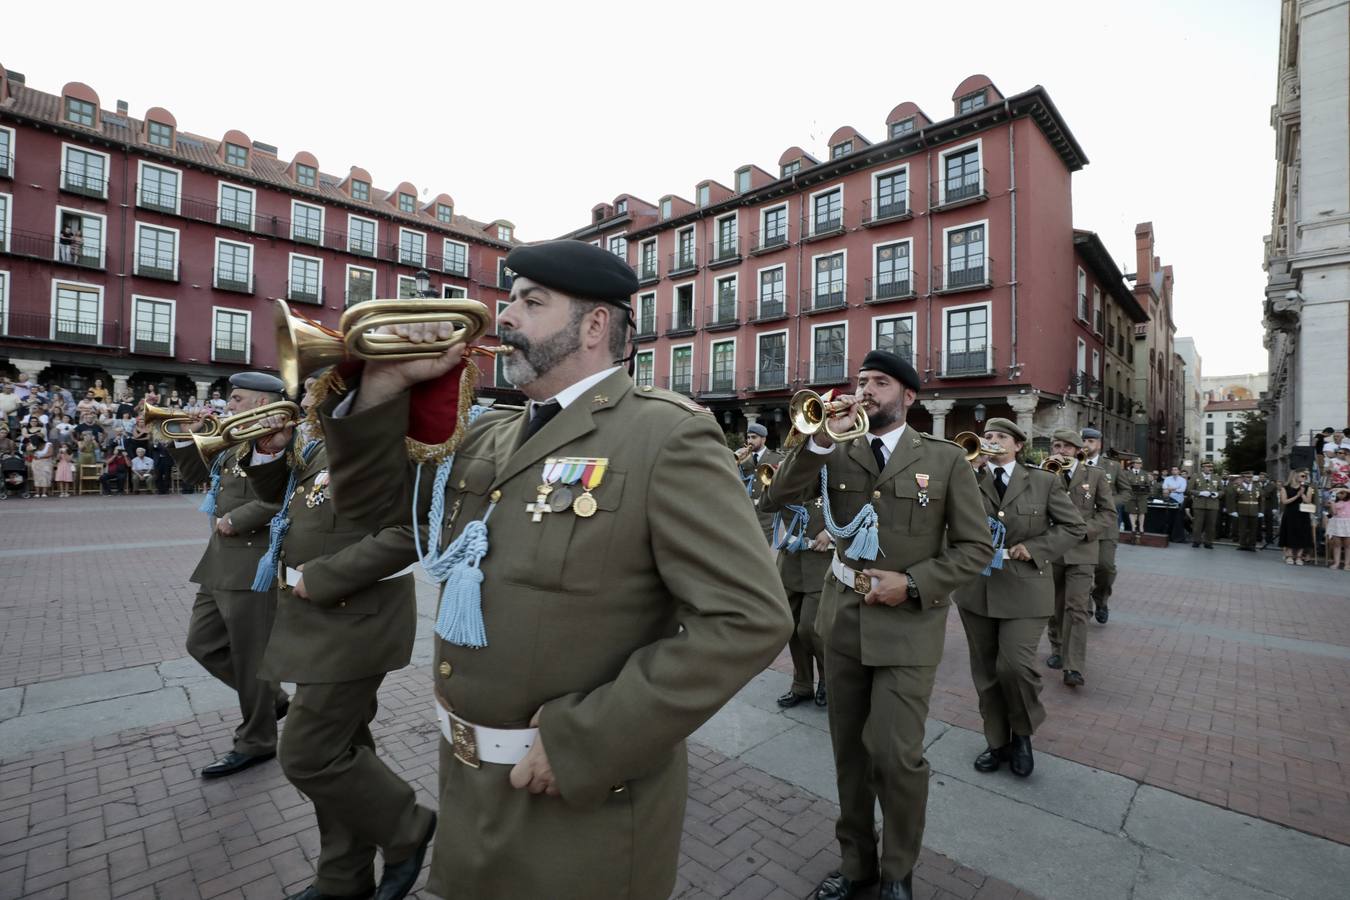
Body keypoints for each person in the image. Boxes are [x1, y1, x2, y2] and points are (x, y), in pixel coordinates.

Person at [320, 239, 792, 900]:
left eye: (531, 303)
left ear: (594, 326)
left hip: (578, 801)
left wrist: (587, 741)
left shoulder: (666, 436)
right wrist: (382, 386)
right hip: (467, 788)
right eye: (510, 298)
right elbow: (369, 509)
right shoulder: (487, 434)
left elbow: (749, 618)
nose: (504, 316)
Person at [765, 349, 992, 900]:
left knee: (895, 755)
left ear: (909, 397)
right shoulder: (834, 450)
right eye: (862, 381)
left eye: (880, 382)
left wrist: (913, 584)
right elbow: (778, 498)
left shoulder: (943, 460)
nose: (865, 390)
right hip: (841, 618)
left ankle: (897, 871)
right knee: (850, 753)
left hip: (908, 628)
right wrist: (820, 439)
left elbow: (974, 548)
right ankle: (857, 864)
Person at [243, 373, 433, 900]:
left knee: (308, 754)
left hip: (355, 616)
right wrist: (269, 453)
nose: (301, 398)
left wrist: (322, 578)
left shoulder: (391, 442)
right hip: (319, 617)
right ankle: (342, 879)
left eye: (311, 387)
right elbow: (283, 501)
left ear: (340, 388)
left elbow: (410, 530)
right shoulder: (321, 442)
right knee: (343, 750)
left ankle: (407, 827)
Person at [169, 372, 289, 778]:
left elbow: (286, 497)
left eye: (236, 399)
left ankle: (257, 740)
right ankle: (270, 699)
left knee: (251, 658)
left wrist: (238, 518)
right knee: (201, 644)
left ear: (260, 403)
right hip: (219, 561)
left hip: (252, 564)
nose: (229, 405)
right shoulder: (234, 438)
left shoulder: (283, 441)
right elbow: (195, 477)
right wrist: (189, 437)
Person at [956, 420, 1083, 780]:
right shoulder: (966, 478)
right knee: (986, 672)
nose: (991, 441)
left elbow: (1073, 526)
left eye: (1000, 437)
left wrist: (1037, 547)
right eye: (988, 436)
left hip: (1026, 588)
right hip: (976, 589)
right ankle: (997, 742)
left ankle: (1023, 735)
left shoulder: (1043, 481)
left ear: (1017, 445)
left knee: (1014, 667)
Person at [1043, 430, 1111, 689]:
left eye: (1067, 447)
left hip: (1082, 550)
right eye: (1057, 445)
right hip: (1053, 548)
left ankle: (1074, 666)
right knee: (1055, 605)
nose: (1061, 451)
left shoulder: (1094, 476)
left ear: (1077, 450)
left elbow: (1107, 513)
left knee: (1078, 607)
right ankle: (1058, 647)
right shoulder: (1045, 473)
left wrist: (1086, 531)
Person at [762, 477, 831, 709]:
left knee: (811, 628)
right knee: (790, 627)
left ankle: (828, 680)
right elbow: (765, 504)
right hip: (791, 565)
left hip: (820, 565)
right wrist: (781, 478)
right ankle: (801, 684)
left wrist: (832, 532)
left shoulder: (834, 469)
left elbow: (857, 506)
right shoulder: (791, 473)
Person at [1081, 429, 1125, 623]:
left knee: (1105, 568)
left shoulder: (1113, 467)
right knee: (1081, 569)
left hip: (1105, 527)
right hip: (1081, 526)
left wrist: (1108, 502)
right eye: (1083, 440)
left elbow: (1126, 492)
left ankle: (1101, 599)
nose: (1086, 444)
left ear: (1099, 444)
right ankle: (1085, 608)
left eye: (1090, 441)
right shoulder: (1074, 464)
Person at [737, 422, 782, 543]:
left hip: (766, 513)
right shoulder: (743, 456)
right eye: (748, 437)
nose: (750, 440)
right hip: (746, 511)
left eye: (754, 437)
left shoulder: (776, 458)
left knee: (763, 548)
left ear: (763, 439)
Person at [1278, 470, 1316, 565]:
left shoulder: (1308, 488)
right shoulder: (1285, 488)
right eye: (1302, 476)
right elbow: (1284, 501)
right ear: (1295, 476)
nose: (1304, 478)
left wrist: (1302, 493)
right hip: (1290, 513)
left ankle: (1299, 556)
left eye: (1305, 476)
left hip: (1303, 514)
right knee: (1290, 533)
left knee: (1302, 534)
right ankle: (1289, 555)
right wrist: (1297, 495)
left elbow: (1308, 501)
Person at [1188, 461, 1224, 549]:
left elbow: (1222, 490)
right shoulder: (1195, 477)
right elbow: (1189, 490)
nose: (1210, 469)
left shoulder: (1217, 477)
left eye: (1211, 467)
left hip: (1212, 504)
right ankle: (1196, 541)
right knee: (1197, 524)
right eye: (1207, 467)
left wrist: (1217, 494)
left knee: (1211, 525)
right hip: (1199, 504)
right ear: (1203, 468)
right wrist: (1200, 493)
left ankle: (1208, 542)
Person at [1225, 472, 1263, 552]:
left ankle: (1252, 545)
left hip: (1254, 510)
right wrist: (1233, 510)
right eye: (1247, 477)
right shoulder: (1237, 487)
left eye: (1250, 477)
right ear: (1243, 478)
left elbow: (1262, 500)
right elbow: (1233, 499)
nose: (1249, 479)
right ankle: (1242, 544)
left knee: (1253, 529)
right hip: (1242, 510)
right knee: (1242, 528)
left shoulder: (1257, 487)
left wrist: (1261, 511)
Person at [1120, 456, 1152, 535]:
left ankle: (1141, 527)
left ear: (1141, 465)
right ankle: (1133, 527)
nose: (1138, 465)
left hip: (1142, 496)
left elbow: (1148, 485)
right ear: (1133, 464)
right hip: (1131, 495)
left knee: (1142, 512)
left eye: (1139, 463)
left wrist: (1147, 486)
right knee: (1132, 511)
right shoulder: (1126, 473)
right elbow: (1123, 484)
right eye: (1136, 463)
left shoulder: (1144, 473)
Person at [1161, 466, 1188, 542]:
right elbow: (1164, 487)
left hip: (1179, 501)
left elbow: (1182, 490)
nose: (1174, 471)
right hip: (1169, 500)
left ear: (1179, 471)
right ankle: (1168, 536)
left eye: (1175, 470)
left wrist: (1171, 489)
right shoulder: (1167, 479)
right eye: (1172, 470)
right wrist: (1176, 489)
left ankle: (1177, 537)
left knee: (1178, 520)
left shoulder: (1182, 480)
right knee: (1169, 519)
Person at [1326, 487, 1350, 571]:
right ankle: (1336, 562)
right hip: (1336, 523)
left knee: (1348, 545)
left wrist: (1340, 488)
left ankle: (1347, 564)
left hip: (1347, 523)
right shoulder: (1333, 501)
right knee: (1337, 545)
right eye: (1339, 493)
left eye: (1343, 493)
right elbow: (1334, 513)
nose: (1340, 494)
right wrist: (1332, 502)